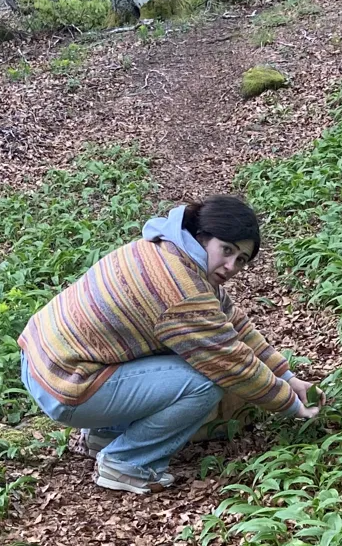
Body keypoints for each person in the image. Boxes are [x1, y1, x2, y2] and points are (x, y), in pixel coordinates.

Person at [17, 195, 320, 494]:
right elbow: (231, 363)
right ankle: (126, 464)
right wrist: (290, 405)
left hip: (42, 362)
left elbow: (235, 326)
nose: (230, 266)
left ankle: (104, 435)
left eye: (240, 259)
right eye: (226, 250)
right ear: (202, 237)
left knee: (193, 365)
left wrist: (289, 378)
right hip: (66, 386)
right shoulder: (182, 289)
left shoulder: (167, 248)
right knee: (205, 382)